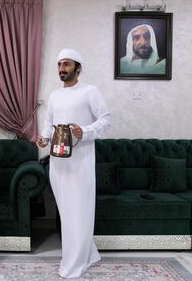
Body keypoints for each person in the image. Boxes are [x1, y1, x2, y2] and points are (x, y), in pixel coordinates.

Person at [37, 48, 111, 278]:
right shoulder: (54, 96)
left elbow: (106, 120)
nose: (62, 69)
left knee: (80, 211)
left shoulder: (90, 91)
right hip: (58, 164)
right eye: (59, 65)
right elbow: (49, 123)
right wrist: (44, 137)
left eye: (66, 64)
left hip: (81, 163)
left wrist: (84, 130)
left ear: (78, 67)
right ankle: (87, 253)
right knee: (67, 213)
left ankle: (74, 262)